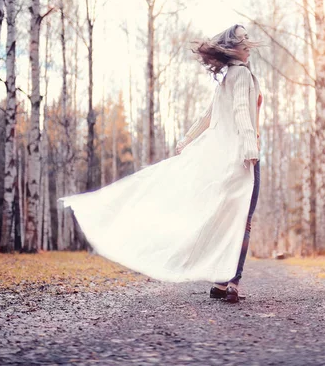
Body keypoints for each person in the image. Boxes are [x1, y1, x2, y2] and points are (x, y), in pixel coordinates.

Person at [59, 24, 262, 303]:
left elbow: (208, 115)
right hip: (242, 156)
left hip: (230, 155)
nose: (248, 44)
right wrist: (250, 146)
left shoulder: (231, 76)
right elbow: (238, 111)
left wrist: (187, 139)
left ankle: (222, 280)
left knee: (226, 216)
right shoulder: (240, 76)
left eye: (247, 40)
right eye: (243, 41)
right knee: (242, 219)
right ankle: (231, 282)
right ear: (233, 48)